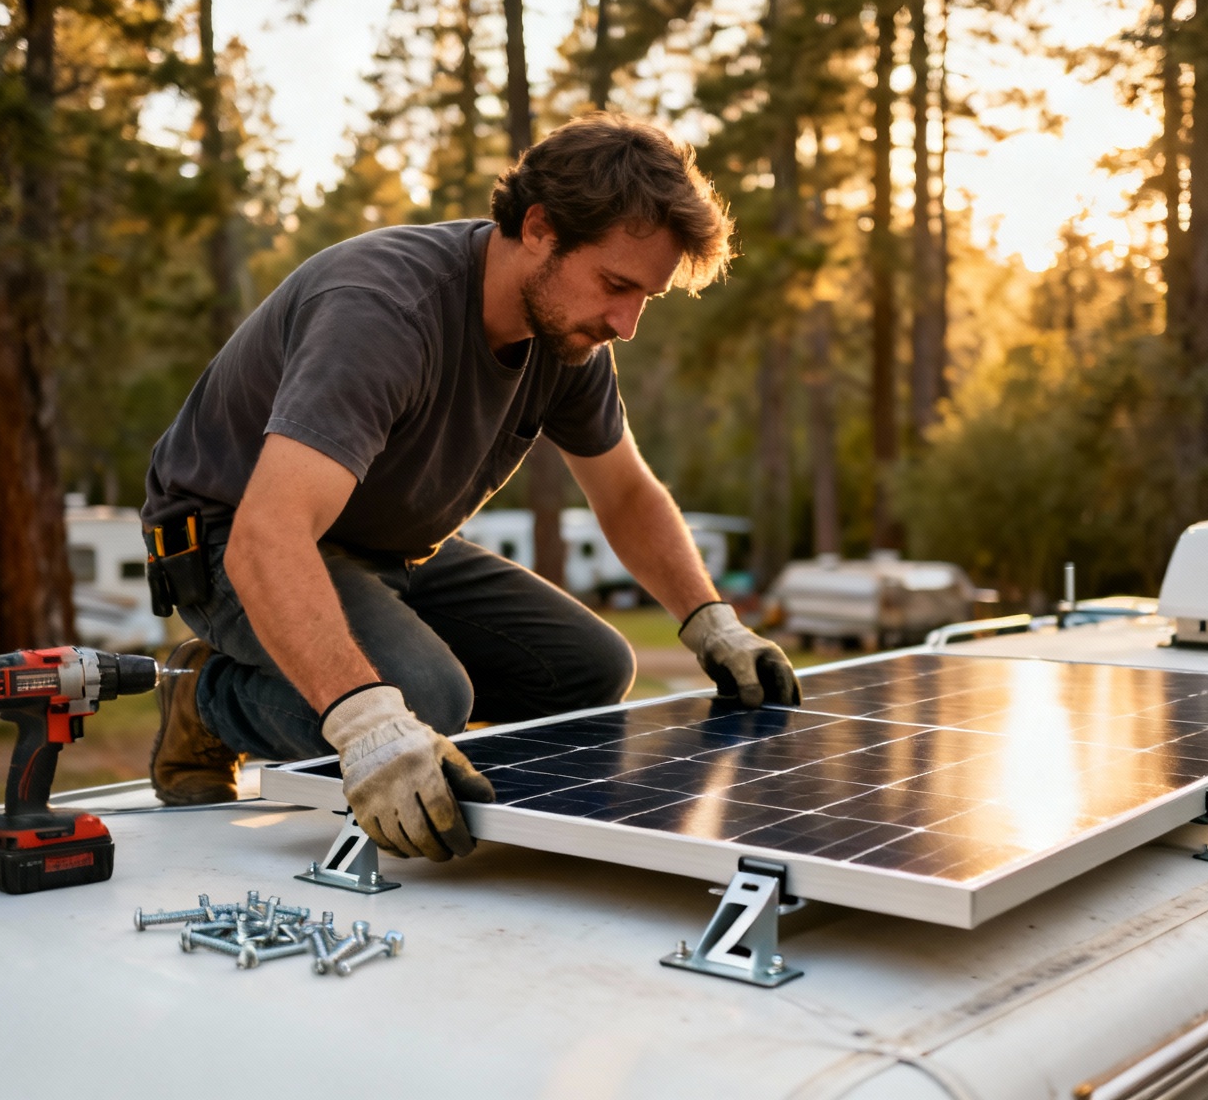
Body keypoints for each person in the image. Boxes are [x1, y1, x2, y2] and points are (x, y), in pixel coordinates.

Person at [141, 113, 800, 863]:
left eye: (643, 297)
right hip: (231, 538)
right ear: (541, 228)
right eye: (616, 285)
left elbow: (626, 494)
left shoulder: (567, 339)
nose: (626, 324)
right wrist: (367, 723)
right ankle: (211, 700)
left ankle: (386, 705)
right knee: (423, 700)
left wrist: (711, 622)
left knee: (591, 671)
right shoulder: (383, 311)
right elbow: (271, 533)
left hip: (386, 548)